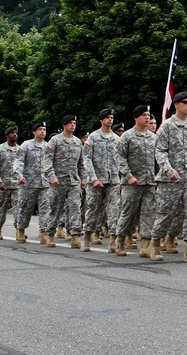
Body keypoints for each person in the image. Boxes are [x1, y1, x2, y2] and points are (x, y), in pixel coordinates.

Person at [149, 91, 187, 263]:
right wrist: (168, 170)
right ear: (176, 105)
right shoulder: (167, 126)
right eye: (185, 102)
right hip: (170, 179)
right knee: (165, 213)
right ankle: (155, 244)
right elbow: (160, 151)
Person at [116, 105, 157, 258]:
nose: (147, 117)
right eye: (144, 115)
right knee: (128, 213)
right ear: (136, 117)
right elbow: (120, 158)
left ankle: (145, 245)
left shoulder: (153, 137)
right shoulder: (127, 136)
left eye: (148, 115)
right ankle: (119, 241)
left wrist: (158, 177)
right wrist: (128, 176)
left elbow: (158, 159)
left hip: (150, 182)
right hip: (132, 183)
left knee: (148, 214)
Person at [40, 115, 86, 248]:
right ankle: (50, 234)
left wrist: (83, 178)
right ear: (64, 125)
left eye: (74, 123)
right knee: (56, 208)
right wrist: (52, 176)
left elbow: (81, 163)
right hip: (58, 181)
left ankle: (75, 235)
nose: (73, 125)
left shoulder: (78, 142)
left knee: (75, 208)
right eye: (70, 123)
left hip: (74, 182)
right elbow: (47, 160)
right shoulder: (55, 140)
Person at [85, 109, 123, 253]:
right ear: (101, 120)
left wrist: (121, 179)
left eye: (112, 117)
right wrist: (94, 178)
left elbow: (120, 160)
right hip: (96, 180)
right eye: (107, 118)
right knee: (93, 209)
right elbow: (87, 159)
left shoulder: (117, 139)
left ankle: (114, 240)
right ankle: (87, 237)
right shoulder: (93, 137)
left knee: (114, 210)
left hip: (113, 180)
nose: (110, 120)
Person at [13, 122, 50, 243]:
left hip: (44, 183)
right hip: (28, 183)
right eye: (40, 129)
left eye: (44, 129)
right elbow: (18, 161)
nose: (43, 131)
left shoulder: (48, 146)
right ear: (34, 132)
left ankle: (43, 232)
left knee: (45, 209)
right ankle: (21, 230)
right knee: (25, 208)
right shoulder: (26, 145)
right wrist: (19, 175)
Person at [0, 126, 22, 240]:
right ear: (7, 135)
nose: (15, 135)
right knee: (1, 208)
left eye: (16, 133)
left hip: (17, 185)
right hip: (2, 185)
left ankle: (19, 231)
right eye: (12, 133)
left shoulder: (20, 150)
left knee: (18, 209)